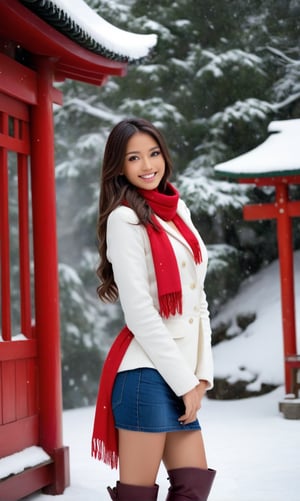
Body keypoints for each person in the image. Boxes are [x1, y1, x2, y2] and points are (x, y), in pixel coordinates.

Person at [91, 117, 216, 501]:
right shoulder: (123, 219)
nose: (148, 166)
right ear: (119, 166)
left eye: (154, 153)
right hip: (146, 375)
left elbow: (199, 301)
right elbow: (141, 314)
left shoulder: (179, 215)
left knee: (192, 490)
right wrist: (185, 382)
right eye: (134, 158)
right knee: (139, 496)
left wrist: (201, 377)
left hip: (180, 372)